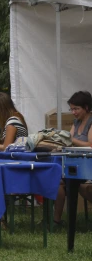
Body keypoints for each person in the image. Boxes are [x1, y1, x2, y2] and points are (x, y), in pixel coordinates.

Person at [53, 91, 92, 225]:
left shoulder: (91, 122)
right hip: (75, 166)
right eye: (72, 109)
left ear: (86, 108)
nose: (73, 112)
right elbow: (69, 141)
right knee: (57, 181)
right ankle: (56, 220)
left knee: (80, 185)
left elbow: (90, 145)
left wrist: (71, 140)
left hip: (88, 167)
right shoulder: (76, 123)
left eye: (76, 109)